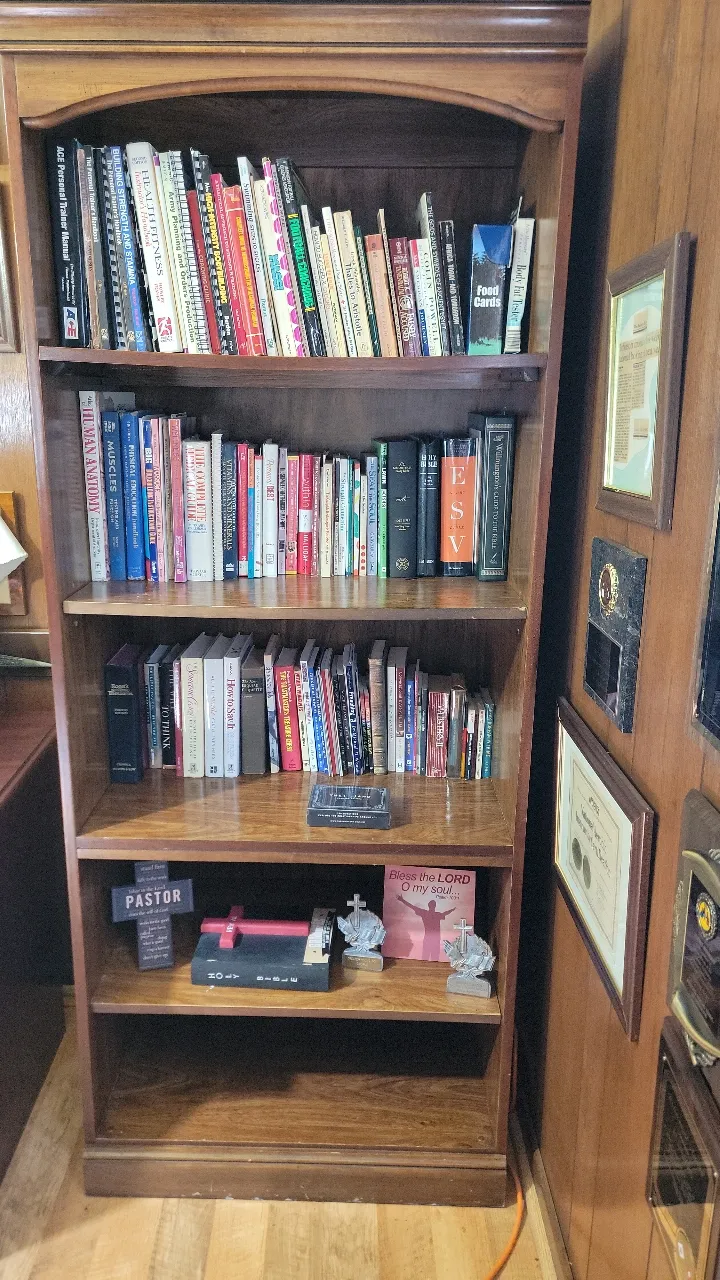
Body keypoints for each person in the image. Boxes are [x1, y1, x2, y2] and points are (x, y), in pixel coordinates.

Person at [396, 894, 455, 961]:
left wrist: (402, 900)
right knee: (433, 957)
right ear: (435, 906)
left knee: (427, 957)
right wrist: (452, 910)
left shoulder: (425, 913)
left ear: (429, 905)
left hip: (430, 939)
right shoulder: (436, 915)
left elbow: (412, 907)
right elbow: (445, 913)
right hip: (434, 939)